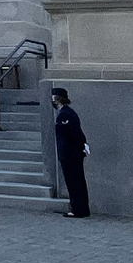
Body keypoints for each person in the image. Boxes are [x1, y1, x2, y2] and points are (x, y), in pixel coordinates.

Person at [49, 87, 91, 219]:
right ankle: (82, 208)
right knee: (78, 182)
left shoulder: (65, 114)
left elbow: (74, 133)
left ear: (57, 99)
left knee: (74, 182)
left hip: (70, 154)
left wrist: (81, 144)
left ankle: (77, 208)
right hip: (73, 153)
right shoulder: (67, 113)